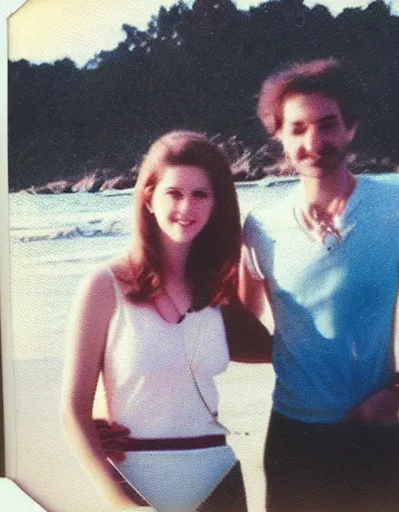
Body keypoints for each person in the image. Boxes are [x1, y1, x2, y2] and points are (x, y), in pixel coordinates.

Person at [239, 58, 399, 512]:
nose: (313, 141)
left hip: (375, 431)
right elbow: (242, 330)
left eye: (327, 124)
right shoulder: (260, 226)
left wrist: (398, 392)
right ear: (279, 136)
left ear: (349, 128)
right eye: (297, 128)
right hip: (293, 435)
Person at [62, 130, 271, 511]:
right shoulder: (104, 286)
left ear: (215, 204)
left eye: (200, 195)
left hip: (219, 481)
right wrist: (120, 501)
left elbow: (282, 347)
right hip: (136, 485)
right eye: (174, 193)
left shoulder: (219, 290)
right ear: (148, 198)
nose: (186, 207)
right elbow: (72, 408)